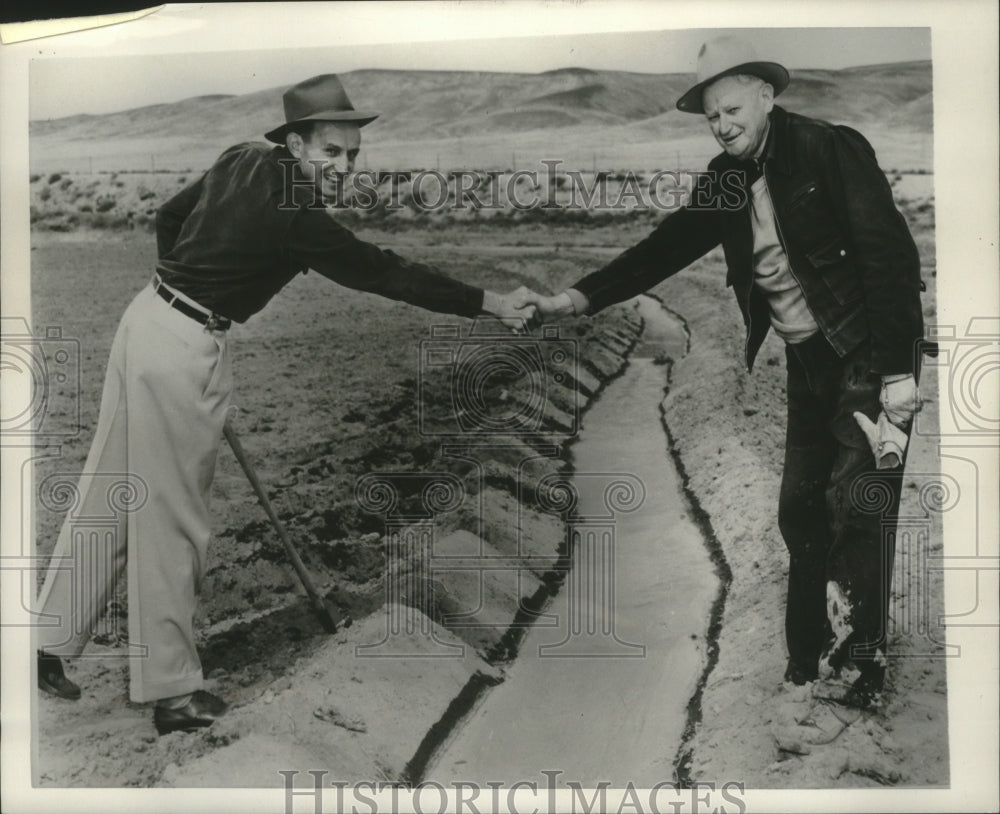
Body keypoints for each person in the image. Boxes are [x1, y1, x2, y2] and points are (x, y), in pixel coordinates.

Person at [35, 74, 535, 734]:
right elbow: (385, 273)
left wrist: (181, 290)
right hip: (182, 342)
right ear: (296, 144)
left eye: (353, 155)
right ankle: (171, 692)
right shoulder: (299, 216)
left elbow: (170, 218)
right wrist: (491, 303)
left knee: (108, 487)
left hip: (146, 321)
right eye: (331, 153)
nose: (344, 168)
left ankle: (42, 644)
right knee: (173, 519)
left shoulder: (243, 155)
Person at [522, 37, 925, 708]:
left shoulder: (829, 148)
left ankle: (860, 671)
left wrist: (897, 373)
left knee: (858, 503)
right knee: (800, 510)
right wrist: (578, 297)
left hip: (866, 355)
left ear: (768, 97)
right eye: (713, 117)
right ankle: (805, 665)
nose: (724, 125)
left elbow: (889, 258)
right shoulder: (726, 178)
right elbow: (666, 247)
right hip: (809, 363)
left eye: (733, 109)